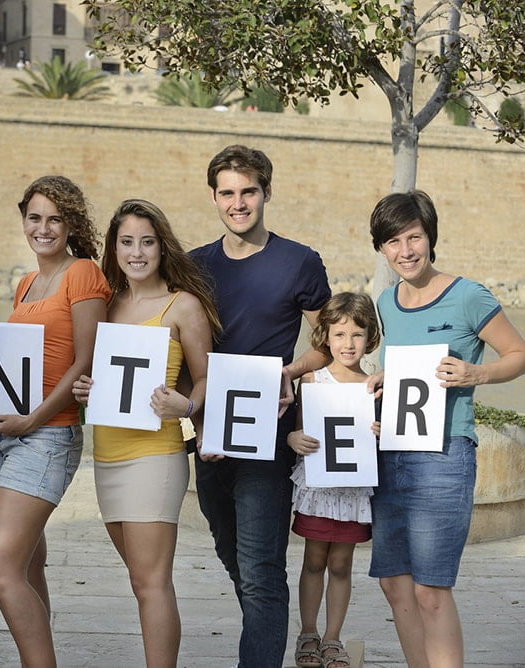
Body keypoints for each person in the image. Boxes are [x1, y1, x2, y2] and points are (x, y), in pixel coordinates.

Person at [367, 191, 525, 668]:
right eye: (393, 241)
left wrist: (475, 374)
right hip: (390, 452)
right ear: (382, 249)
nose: (406, 250)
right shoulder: (386, 302)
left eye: (414, 237)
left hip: (444, 455)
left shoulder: (469, 295)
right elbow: (409, 376)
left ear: (430, 238)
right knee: (394, 583)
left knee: (431, 589)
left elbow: (518, 354)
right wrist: (382, 383)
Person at [188, 144, 332, 668]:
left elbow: (330, 341)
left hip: (270, 438)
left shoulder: (299, 262)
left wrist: (290, 372)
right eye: (227, 193)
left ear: (266, 192)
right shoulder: (194, 265)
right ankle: (268, 634)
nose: (238, 202)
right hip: (207, 436)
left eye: (248, 191)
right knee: (235, 559)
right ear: (214, 198)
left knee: (262, 570)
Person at [71, 199, 220, 667]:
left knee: (152, 582)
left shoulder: (183, 305)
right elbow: (102, 378)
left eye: (147, 242)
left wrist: (189, 405)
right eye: (127, 242)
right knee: (139, 581)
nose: (137, 252)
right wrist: (84, 387)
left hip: (155, 456)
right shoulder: (106, 307)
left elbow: (208, 377)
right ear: (114, 248)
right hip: (108, 455)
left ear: (162, 247)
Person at [0, 175, 110, 667]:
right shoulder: (26, 283)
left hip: (46, 435)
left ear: (71, 224)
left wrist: (32, 419)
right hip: (1, 436)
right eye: (35, 217)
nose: (44, 227)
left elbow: (84, 360)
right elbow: (17, 360)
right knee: (29, 564)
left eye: (55, 218)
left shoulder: (84, 274)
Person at [286, 292, 381, 668]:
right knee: (313, 561)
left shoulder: (373, 385)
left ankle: (333, 638)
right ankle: (307, 633)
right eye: (339, 334)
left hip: (353, 490)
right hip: (319, 488)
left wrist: (379, 431)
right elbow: (297, 430)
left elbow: (380, 440)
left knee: (342, 564)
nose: (348, 343)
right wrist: (294, 438)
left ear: (370, 338)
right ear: (325, 335)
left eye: (357, 335)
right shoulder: (311, 380)